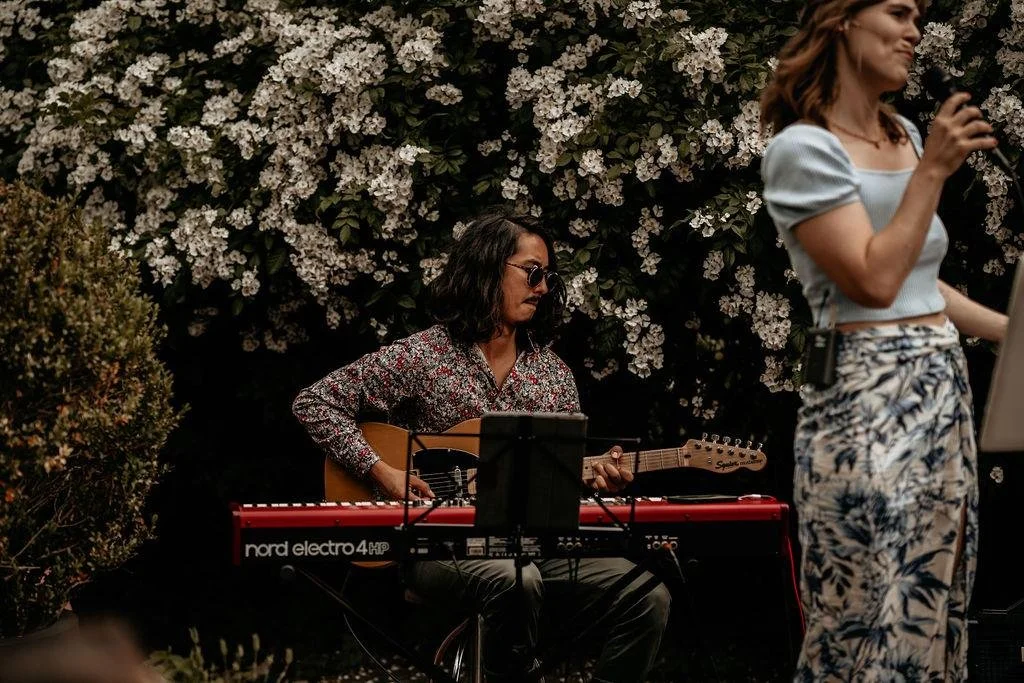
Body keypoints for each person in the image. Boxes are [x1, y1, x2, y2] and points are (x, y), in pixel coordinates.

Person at [292, 211, 671, 682]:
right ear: (488, 268)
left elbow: (560, 492)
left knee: (647, 596)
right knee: (518, 580)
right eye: (532, 272)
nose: (543, 287)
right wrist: (380, 471)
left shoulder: (554, 376)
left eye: (548, 277)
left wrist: (600, 481)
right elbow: (315, 402)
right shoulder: (423, 356)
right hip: (436, 546)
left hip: (533, 548)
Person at [759, 0, 1009, 679]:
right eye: (898, 12)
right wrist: (933, 174)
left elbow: (920, 282)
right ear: (843, 20)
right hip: (862, 399)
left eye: (920, 19)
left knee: (932, 604)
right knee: (866, 611)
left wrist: (1011, 334)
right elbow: (873, 278)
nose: (913, 32)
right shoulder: (801, 149)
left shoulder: (901, 133)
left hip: (940, 391)